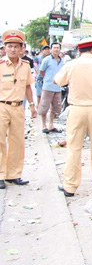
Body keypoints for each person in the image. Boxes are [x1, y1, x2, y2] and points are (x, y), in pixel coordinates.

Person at [53, 37, 92, 197]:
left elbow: (57, 81)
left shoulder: (71, 65)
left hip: (76, 109)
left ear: (79, 50)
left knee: (74, 147)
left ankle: (69, 186)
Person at [0, 29, 37, 189]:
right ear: (4, 48)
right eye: (10, 46)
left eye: (16, 46)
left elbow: (28, 86)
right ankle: (1, 175)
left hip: (18, 107)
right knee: (0, 142)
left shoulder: (26, 66)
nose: (13, 49)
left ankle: (13, 175)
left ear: (21, 48)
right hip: (2, 106)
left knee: (17, 141)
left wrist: (32, 105)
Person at [38, 42, 65, 134]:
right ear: (51, 49)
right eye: (54, 48)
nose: (56, 49)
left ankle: (51, 124)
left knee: (55, 108)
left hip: (57, 87)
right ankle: (43, 125)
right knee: (44, 106)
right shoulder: (47, 59)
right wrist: (47, 79)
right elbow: (41, 71)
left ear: (60, 49)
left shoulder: (62, 61)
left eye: (58, 48)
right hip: (48, 86)